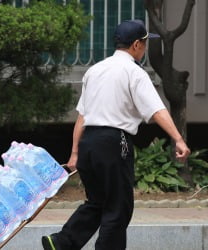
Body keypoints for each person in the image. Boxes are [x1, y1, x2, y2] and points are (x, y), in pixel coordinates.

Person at [41, 19, 191, 250]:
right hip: (113, 141)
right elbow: (157, 109)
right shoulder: (134, 72)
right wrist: (178, 138)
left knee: (97, 202)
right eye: (143, 43)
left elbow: (82, 116)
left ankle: (62, 242)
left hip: (88, 141)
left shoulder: (95, 70)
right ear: (135, 45)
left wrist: (74, 152)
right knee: (118, 208)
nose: (144, 48)